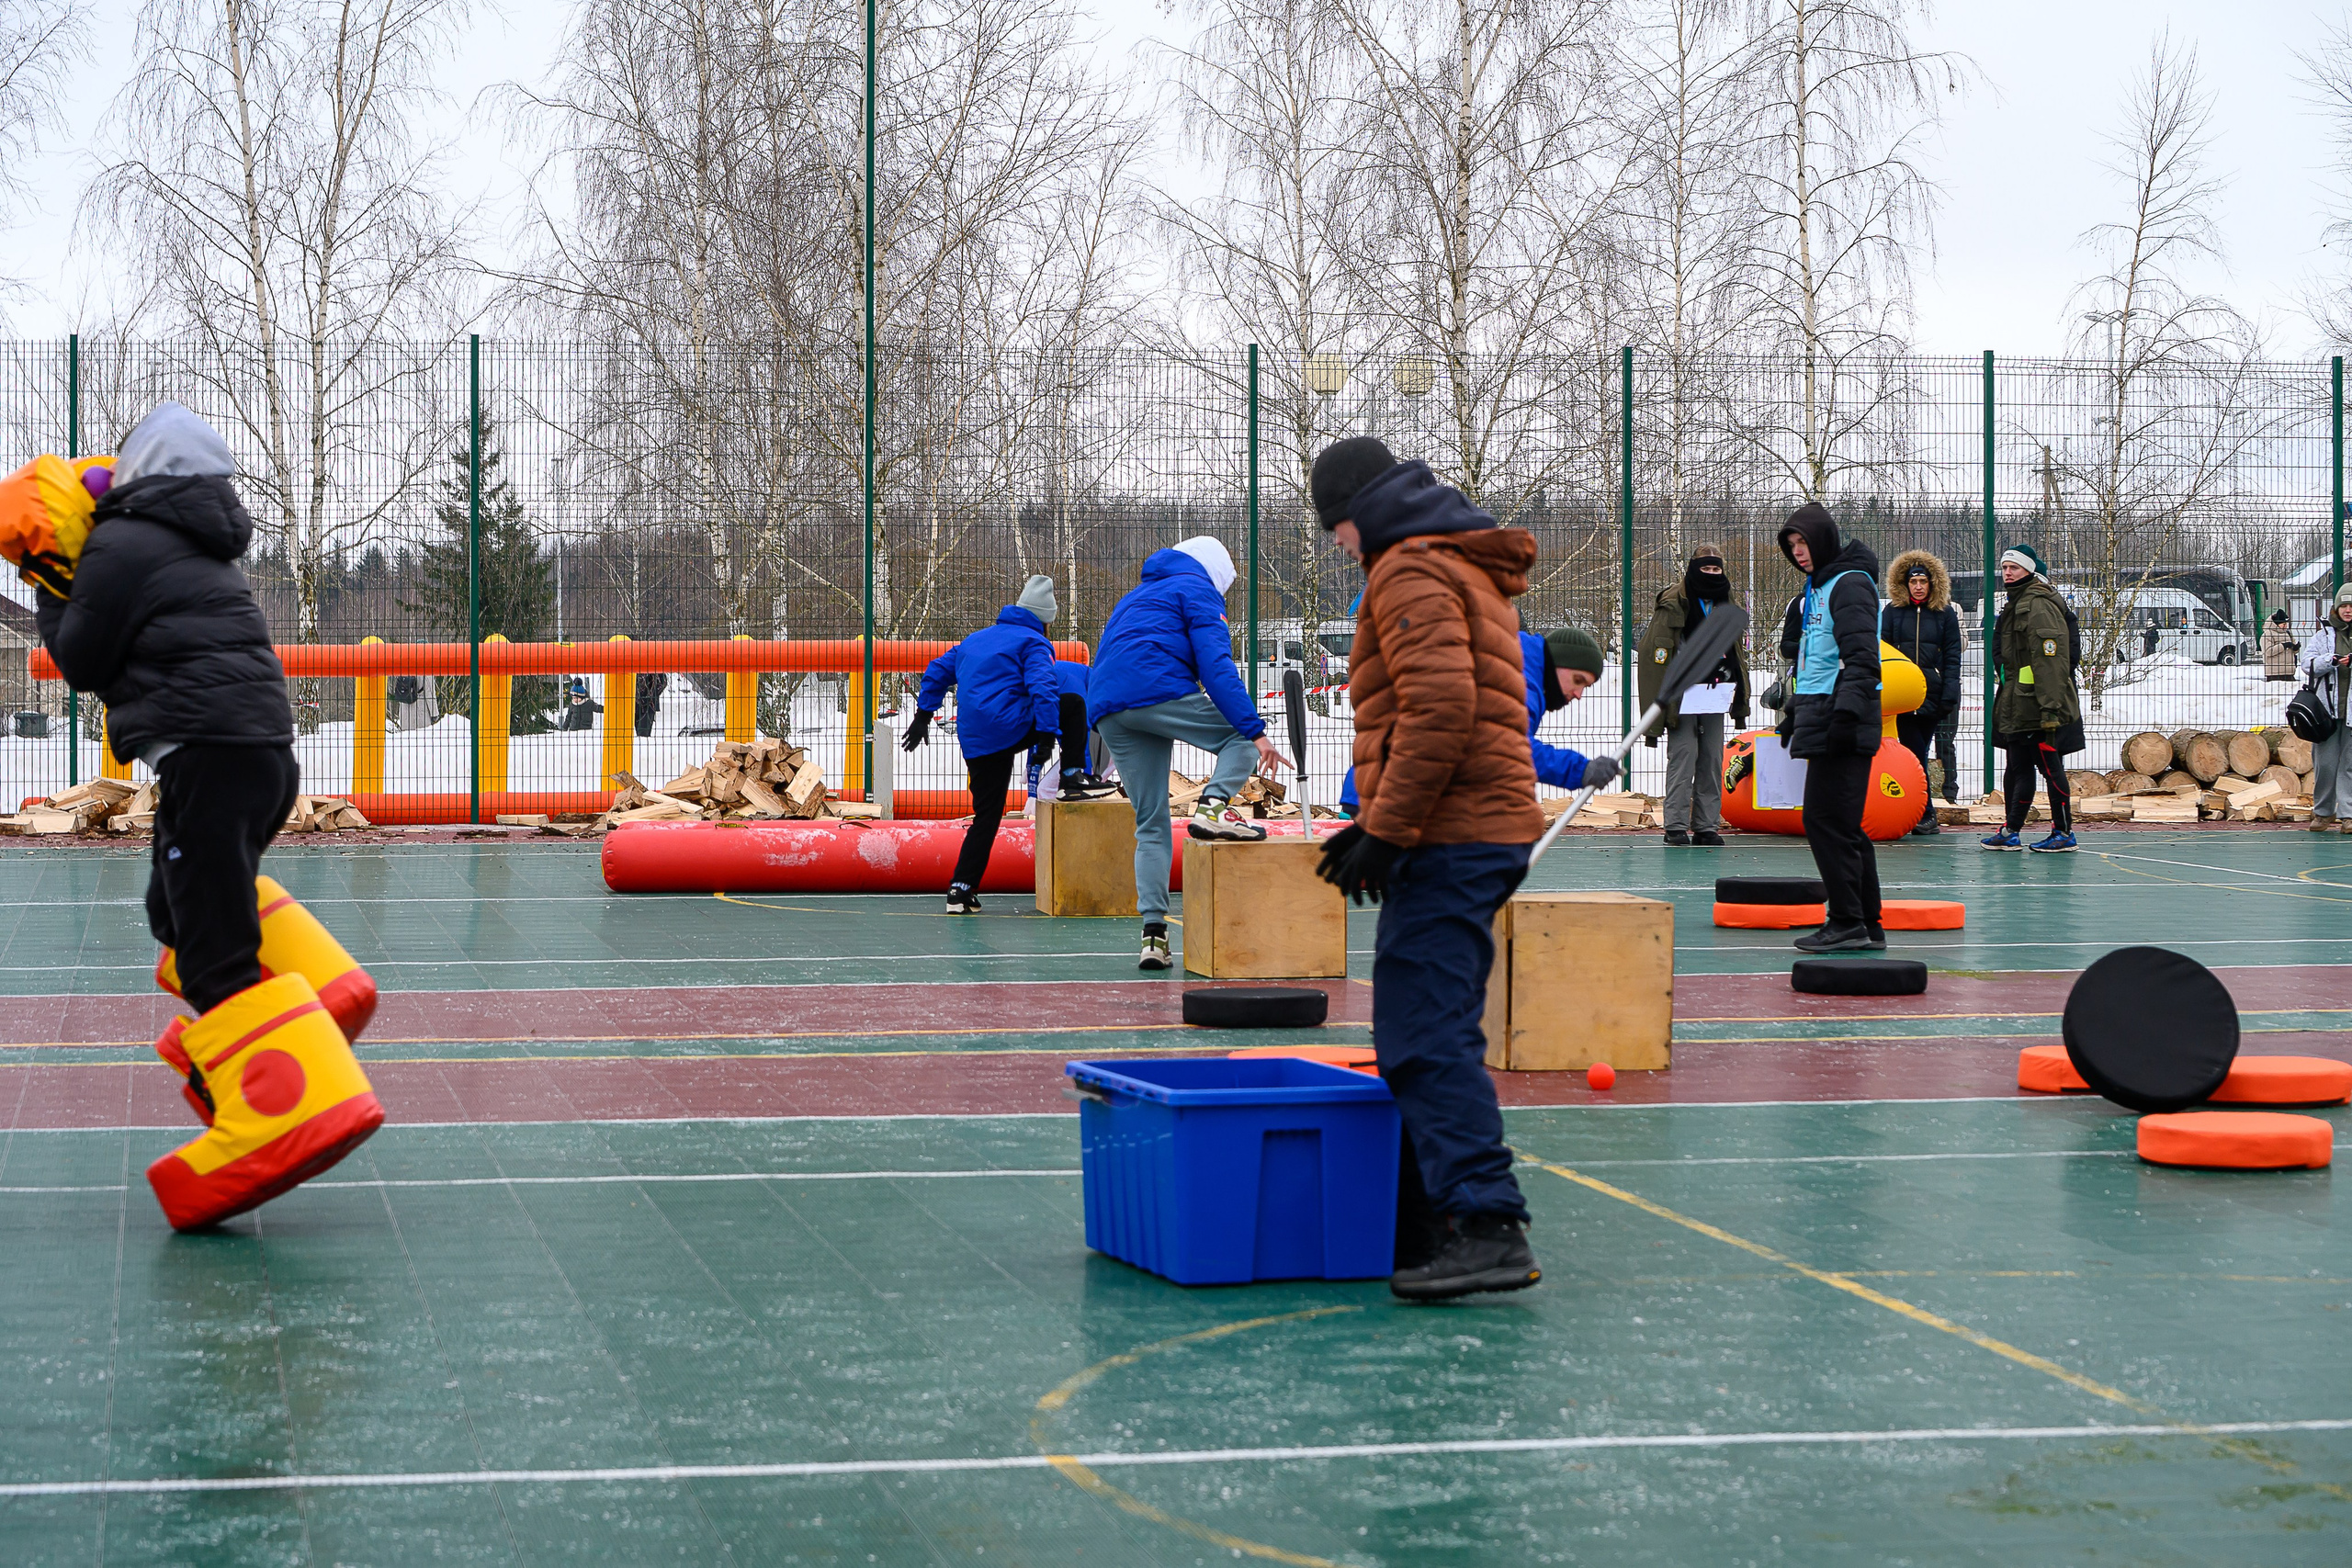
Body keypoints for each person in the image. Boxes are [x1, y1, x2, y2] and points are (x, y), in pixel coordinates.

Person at [6, 402, 383, 1231]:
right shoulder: (197, 544)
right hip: (258, 758)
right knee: (174, 911)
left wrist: (47, 574)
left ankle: (287, 1102)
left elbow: (81, 658)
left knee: (210, 950)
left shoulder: (122, 543)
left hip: (210, 759)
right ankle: (320, 992)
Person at [1306, 435, 1544, 1302]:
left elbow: (1440, 708)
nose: (1340, 546)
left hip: (1452, 832)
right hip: (1465, 826)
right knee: (1426, 1020)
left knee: (1423, 1032)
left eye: (1335, 527)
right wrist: (1380, 827)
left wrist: (1388, 830)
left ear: (1357, 512)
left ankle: (1485, 1223)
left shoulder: (1407, 568)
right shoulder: (1453, 560)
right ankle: (1426, 1216)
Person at [1089, 536, 1284, 970]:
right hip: (1156, 689)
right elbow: (1216, 666)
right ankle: (1212, 810)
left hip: (1107, 707)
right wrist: (1256, 732)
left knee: (1151, 824)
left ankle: (1153, 937)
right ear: (1216, 575)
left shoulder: (1136, 595)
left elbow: (1113, 655)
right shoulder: (1198, 590)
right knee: (1240, 739)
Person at [904, 574, 1075, 913]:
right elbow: (1043, 686)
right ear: (1046, 621)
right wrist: (1046, 735)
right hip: (1011, 727)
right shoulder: (1034, 642)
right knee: (1072, 704)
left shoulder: (974, 640)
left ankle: (960, 889)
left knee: (987, 815)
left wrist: (923, 715)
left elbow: (937, 670)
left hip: (975, 738)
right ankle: (1073, 776)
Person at [1334, 623, 1616, 813]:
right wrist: (1579, 770)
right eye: (1577, 680)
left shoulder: (1514, 664)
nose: (1578, 694)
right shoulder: (1516, 682)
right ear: (1557, 663)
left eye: (1586, 687)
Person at [1777, 502, 1886, 952]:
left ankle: (1846, 922)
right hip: (1823, 713)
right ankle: (1866, 923)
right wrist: (1797, 712)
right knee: (1841, 824)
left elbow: (1863, 658)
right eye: (1791, 545)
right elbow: (1817, 663)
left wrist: (1846, 714)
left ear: (1823, 540)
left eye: (1803, 542)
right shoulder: (1818, 587)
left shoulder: (1849, 584)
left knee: (1825, 821)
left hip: (1844, 720)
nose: (1798, 551)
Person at [1636, 544, 1749, 846]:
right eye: (1706, 568)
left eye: (1716, 568)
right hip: (1682, 695)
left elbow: (1736, 651)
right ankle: (1675, 826)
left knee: (1712, 757)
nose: (1711, 573)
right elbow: (1655, 652)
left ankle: (1706, 826)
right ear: (1693, 569)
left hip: (1715, 692)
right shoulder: (1674, 601)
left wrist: (1735, 683)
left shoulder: (1727, 600)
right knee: (1684, 755)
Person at [1983, 544, 2086, 853]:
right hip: (2019, 703)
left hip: (2038, 707)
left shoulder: (2038, 605)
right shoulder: (2016, 602)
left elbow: (2050, 661)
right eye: (2004, 567)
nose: (2007, 572)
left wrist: (2050, 708)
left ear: (2029, 570)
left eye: (2014, 567)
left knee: (2050, 767)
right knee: (2018, 767)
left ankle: (2063, 832)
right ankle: (2011, 831)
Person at [1880, 551, 1963, 832]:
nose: (1918, 586)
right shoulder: (1892, 612)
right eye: (1913, 581)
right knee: (1911, 754)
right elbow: (1883, 651)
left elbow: (1952, 657)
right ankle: (1922, 812)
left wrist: (1949, 692)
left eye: (1923, 582)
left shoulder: (1945, 614)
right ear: (1904, 583)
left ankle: (1923, 813)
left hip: (1931, 695)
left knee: (1918, 753)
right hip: (1902, 696)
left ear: (1932, 583)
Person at [2301, 585, 2352, 833]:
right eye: (2344, 606)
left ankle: (2348, 815)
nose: (2348, 610)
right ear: (2336, 608)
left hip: (2351, 714)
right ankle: (2323, 812)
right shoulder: (2323, 634)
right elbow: (2307, 663)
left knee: (2350, 766)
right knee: (2325, 765)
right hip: (2326, 714)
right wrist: (2328, 660)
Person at [2262, 609, 2301, 682]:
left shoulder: (2288, 633)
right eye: (2283, 624)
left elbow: (2293, 650)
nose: (2286, 626)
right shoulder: (2268, 634)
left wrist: (2295, 648)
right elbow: (2268, 651)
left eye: (2286, 624)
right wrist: (2284, 646)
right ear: (2276, 624)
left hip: (2289, 673)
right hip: (2274, 674)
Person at [635, 671, 668, 737]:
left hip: (648, 705)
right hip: (637, 703)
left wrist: (652, 695)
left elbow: (662, 682)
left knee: (643, 735)